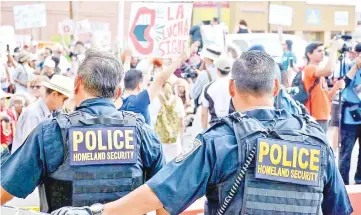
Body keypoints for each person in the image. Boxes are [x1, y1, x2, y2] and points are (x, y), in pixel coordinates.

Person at [51, 50, 353, 215]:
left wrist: (95, 212)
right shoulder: (316, 142)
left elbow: (157, 194)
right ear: (276, 87)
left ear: (232, 87)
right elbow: (339, 210)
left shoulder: (220, 141)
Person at [0, 49, 166, 214]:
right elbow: (164, 207)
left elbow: (3, 192)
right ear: (118, 93)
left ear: (77, 83)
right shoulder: (144, 134)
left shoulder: (51, 133)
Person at [119, 53, 187, 125]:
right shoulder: (139, 100)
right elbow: (160, 79)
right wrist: (180, 59)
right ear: (139, 85)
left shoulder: (117, 102)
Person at [11, 75, 73, 153]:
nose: (63, 104)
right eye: (64, 99)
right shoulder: (33, 114)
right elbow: (29, 150)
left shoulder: (49, 113)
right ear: (54, 94)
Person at [303, 41, 344, 132]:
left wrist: (336, 87)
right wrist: (334, 49)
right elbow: (329, 70)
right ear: (309, 54)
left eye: (323, 51)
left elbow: (327, 97)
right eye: (319, 51)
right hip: (314, 117)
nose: (323, 53)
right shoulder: (310, 68)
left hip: (323, 116)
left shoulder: (320, 74)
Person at [339, 44, 361, 185]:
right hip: (351, 117)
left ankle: (359, 179)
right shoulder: (349, 66)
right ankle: (343, 183)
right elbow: (343, 84)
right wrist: (356, 66)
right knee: (347, 151)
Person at [150, 81, 185, 163]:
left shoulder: (155, 100)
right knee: (175, 164)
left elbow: (152, 121)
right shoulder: (178, 100)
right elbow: (182, 123)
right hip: (174, 139)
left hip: (160, 138)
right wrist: (180, 138)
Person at [201, 55, 234, 129]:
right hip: (233, 127)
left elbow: (204, 114)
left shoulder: (208, 87)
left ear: (217, 69)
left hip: (215, 128)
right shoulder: (236, 86)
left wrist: (204, 131)